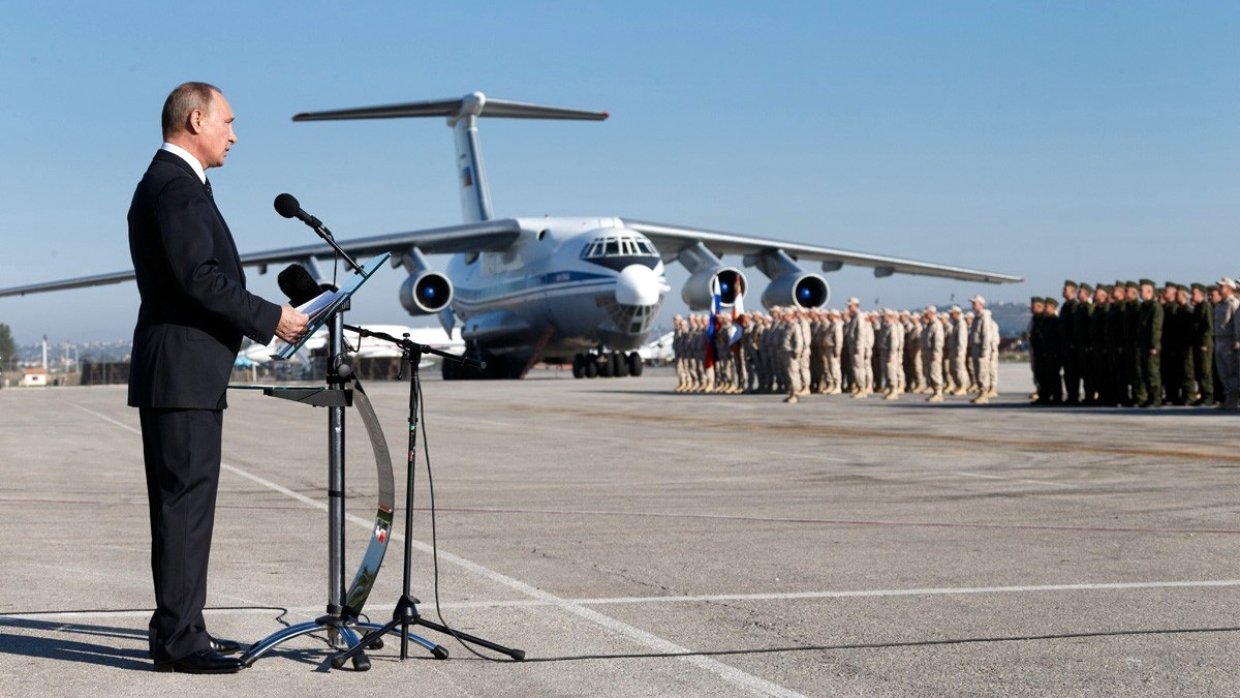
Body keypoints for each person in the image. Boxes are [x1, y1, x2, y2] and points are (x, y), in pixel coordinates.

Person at [129, 82, 309, 673]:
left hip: (184, 374)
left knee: (186, 507)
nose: (234, 135)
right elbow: (198, 278)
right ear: (196, 119)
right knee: (184, 507)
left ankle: (185, 630)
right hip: (180, 374)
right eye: (228, 122)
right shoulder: (175, 189)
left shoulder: (174, 184)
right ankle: (179, 643)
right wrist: (269, 318)